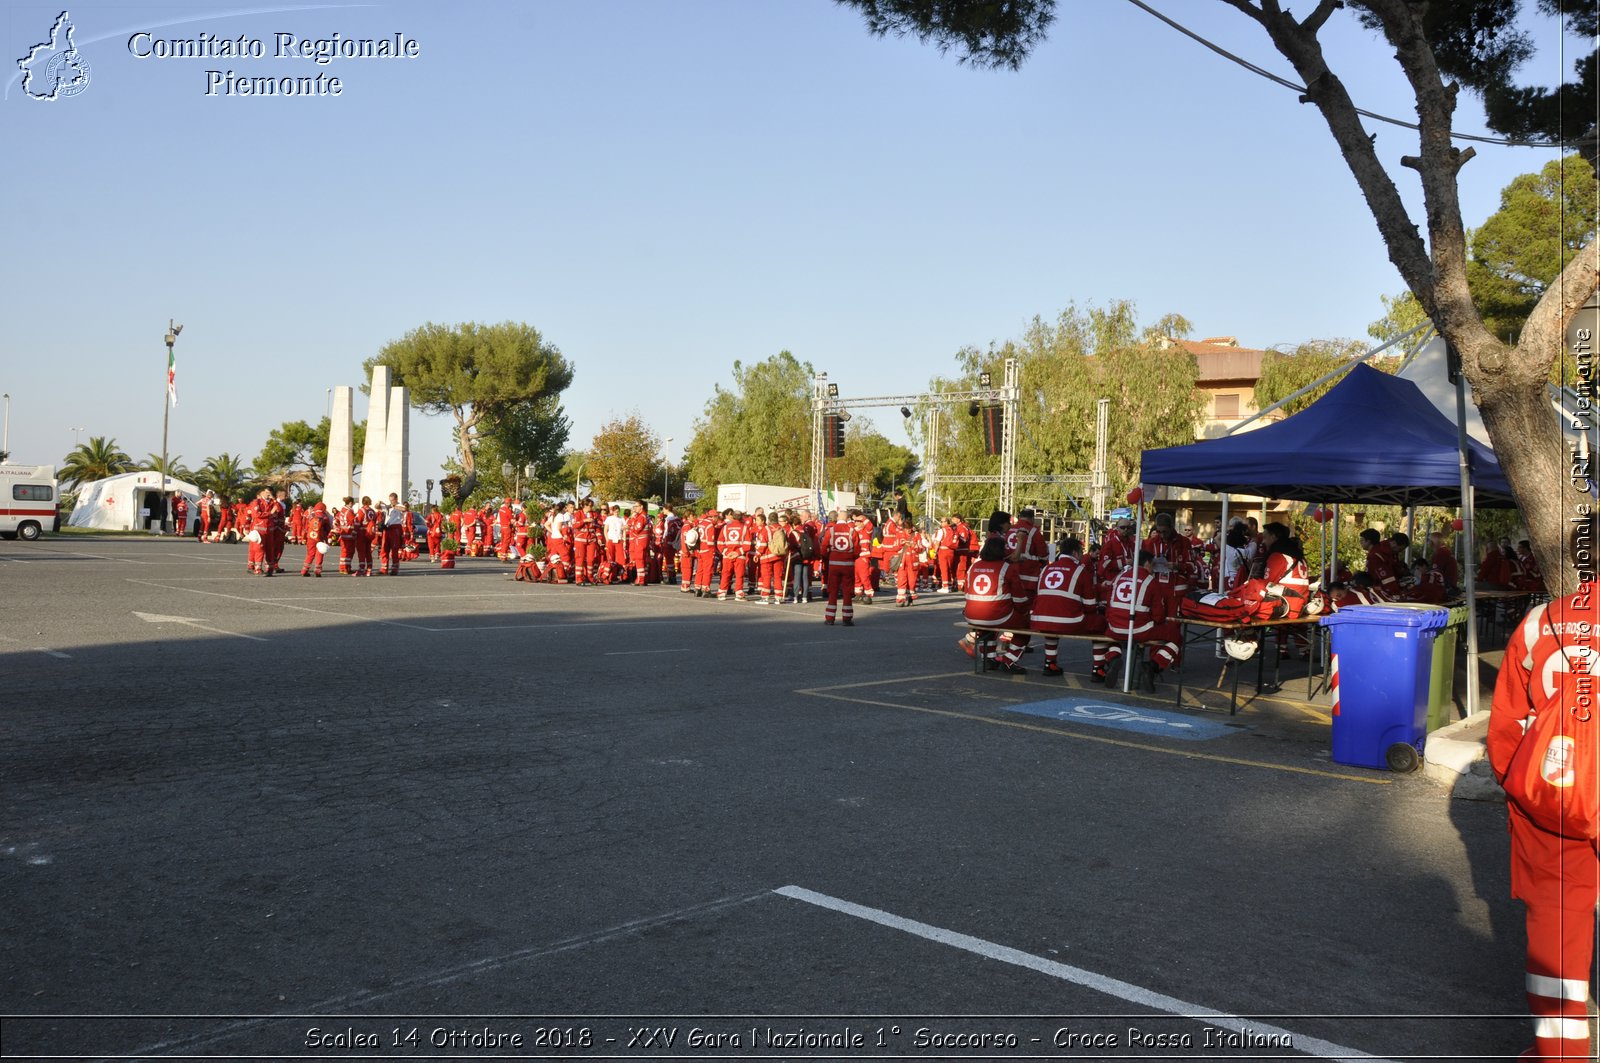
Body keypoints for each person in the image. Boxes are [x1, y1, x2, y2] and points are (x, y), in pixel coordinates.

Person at [1486, 514, 1599, 1063]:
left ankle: (1559, 1053)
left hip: (1558, 796)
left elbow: (1506, 724)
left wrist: (1522, 789)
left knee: (1557, 928)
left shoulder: (1541, 621)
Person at [1029, 536, 1105, 678]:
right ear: (1075, 553)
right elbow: (1090, 606)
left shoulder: (1046, 568)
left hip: (1040, 619)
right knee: (1099, 624)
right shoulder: (1080, 571)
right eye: (1081, 552)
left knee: (1052, 625)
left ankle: (1049, 663)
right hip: (1067, 622)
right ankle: (1098, 669)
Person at [1102, 549, 1180, 686]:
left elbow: (1108, 605)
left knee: (1111, 637)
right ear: (1147, 563)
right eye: (1153, 565)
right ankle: (1153, 666)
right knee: (1175, 636)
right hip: (1139, 629)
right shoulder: (1151, 582)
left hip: (1114, 627)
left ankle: (1113, 658)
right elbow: (1158, 615)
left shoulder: (1119, 577)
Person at [961, 537, 1029, 673]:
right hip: (997, 615)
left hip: (971, 615)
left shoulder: (974, 566)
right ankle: (1009, 661)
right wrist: (1024, 612)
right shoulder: (1006, 568)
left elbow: (965, 590)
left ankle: (989, 659)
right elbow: (1020, 598)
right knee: (1025, 629)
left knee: (988, 628)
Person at [819, 508, 861, 626]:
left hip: (834, 565)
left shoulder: (831, 530)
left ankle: (830, 618)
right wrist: (850, 557)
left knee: (833, 591)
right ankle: (847, 619)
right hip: (848, 565)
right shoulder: (852, 531)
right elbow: (857, 549)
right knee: (847, 592)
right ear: (847, 519)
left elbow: (823, 547)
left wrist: (829, 556)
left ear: (838, 518)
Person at [298, 502, 333, 576]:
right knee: (319, 554)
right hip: (320, 537)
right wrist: (326, 538)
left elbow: (305, 527)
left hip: (310, 537)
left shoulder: (311, 515)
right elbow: (328, 528)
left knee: (310, 554)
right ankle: (317, 570)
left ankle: (304, 570)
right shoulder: (325, 516)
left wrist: (304, 537)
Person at [626, 501, 652, 586]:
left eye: (636, 506)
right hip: (642, 540)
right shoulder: (641, 516)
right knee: (642, 560)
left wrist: (631, 526)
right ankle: (643, 578)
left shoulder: (642, 516)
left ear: (641, 507)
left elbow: (637, 528)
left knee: (639, 559)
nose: (635, 508)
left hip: (640, 541)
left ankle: (641, 580)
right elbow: (630, 523)